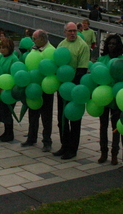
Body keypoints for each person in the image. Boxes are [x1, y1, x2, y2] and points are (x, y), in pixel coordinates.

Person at [54, 22, 90, 160]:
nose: (72, 33)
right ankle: (64, 145)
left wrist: (70, 85)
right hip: (62, 88)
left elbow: (82, 70)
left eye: (74, 30)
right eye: (70, 31)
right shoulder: (62, 45)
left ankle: (72, 149)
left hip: (75, 88)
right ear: (65, 32)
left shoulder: (82, 46)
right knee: (61, 119)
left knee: (74, 119)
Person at [97, 34, 123, 166]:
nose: (111, 46)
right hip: (103, 97)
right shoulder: (102, 59)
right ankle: (103, 151)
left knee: (116, 128)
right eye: (109, 43)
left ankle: (115, 153)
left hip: (117, 99)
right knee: (103, 126)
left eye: (114, 43)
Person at [21, 29, 54, 152]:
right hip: (33, 86)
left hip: (46, 87)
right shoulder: (34, 48)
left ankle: (47, 141)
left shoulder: (50, 50)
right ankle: (31, 137)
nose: (32, 41)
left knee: (46, 116)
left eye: (34, 38)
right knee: (33, 113)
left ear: (42, 39)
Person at [0, 37, 19, 142]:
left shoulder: (14, 59)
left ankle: (10, 134)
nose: (2, 50)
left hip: (9, 90)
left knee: (8, 111)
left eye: (4, 48)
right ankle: (5, 132)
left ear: (10, 48)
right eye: (0, 47)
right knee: (2, 111)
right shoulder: (0, 57)